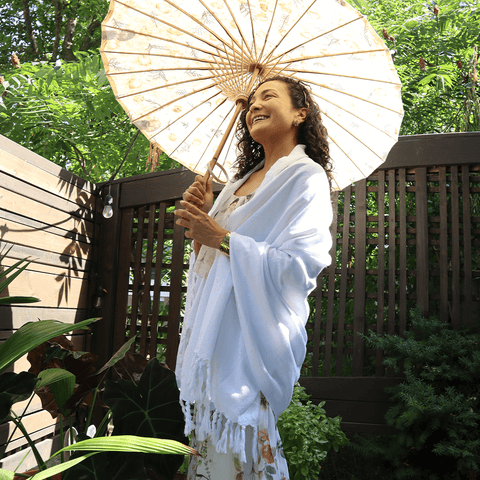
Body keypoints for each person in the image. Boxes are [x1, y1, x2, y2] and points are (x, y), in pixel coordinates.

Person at [174, 76, 333, 480]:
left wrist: (223, 238)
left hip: (252, 343)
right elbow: (207, 268)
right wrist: (204, 221)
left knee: (244, 454)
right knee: (211, 459)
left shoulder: (306, 178)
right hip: (215, 342)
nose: (254, 106)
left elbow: (300, 266)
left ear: (301, 112)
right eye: (251, 102)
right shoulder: (233, 187)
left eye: (269, 96)